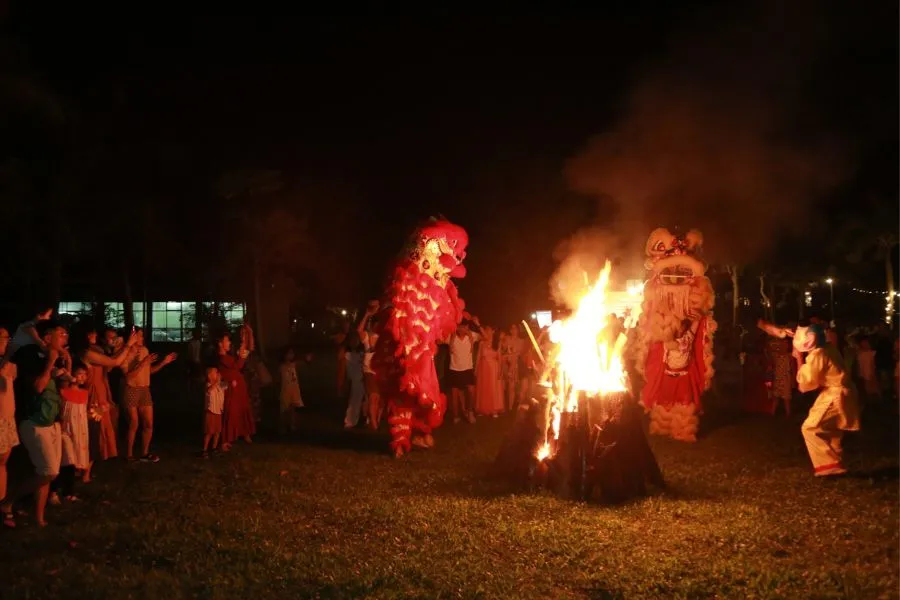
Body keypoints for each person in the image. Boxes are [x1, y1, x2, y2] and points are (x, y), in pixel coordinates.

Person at [2, 321, 68, 527]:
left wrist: (65, 364)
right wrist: (50, 363)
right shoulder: (31, 357)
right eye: (60, 334)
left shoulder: (54, 358)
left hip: (52, 422)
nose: (65, 338)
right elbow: (37, 388)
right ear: (47, 338)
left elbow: (60, 389)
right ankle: (7, 502)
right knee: (49, 471)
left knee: (45, 472)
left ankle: (38, 517)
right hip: (34, 421)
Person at [793, 324, 860, 477]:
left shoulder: (819, 354)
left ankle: (829, 466)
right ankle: (836, 463)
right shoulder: (828, 348)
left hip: (835, 394)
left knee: (810, 428)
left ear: (810, 339)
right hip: (842, 391)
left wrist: (798, 358)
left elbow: (807, 383)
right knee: (832, 430)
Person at [75, 326, 138, 463]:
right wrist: (127, 345)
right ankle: (85, 465)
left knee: (103, 424)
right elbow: (113, 363)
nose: (94, 335)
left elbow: (109, 366)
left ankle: (92, 462)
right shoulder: (87, 353)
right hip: (93, 391)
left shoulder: (96, 350)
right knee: (94, 425)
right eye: (92, 333)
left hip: (101, 389)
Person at [121, 328, 177, 462]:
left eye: (142, 336)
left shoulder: (145, 350)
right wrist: (143, 363)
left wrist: (164, 362)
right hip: (131, 389)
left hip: (145, 389)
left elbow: (148, 371)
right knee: (134, 423)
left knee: (149, 423)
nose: (141, 338)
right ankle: (128, 454)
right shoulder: (126, 353)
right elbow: (129, 377)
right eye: (138, 335)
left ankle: (144, 453)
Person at [218, 331, 254, 451]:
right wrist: (242, 352)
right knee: (231, 412)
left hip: (238, 387)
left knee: (242, 409)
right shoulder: (222, 358)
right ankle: (225, 440)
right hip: (231, 390)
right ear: (220, 343)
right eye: (226, 340)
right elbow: (237, 365)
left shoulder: (227, 357)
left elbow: (237, 365)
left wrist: (244, 342)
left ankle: (244, 433)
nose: (229, 343)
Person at [59, 364, 91, 484]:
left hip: (80, 429)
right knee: (67, 455)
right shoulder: (64, 392)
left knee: (77, 454)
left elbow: (83, 412)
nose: (83, 377)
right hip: (68, 428)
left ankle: (70, 486)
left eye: (85, 374)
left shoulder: (84, 393)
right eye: (80, 373)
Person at [0, 328, 18, 528]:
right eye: (3, 337)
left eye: (7, 337)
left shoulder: (10, 365)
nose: (6, 340)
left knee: (3, 461)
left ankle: (3, 504)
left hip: (7, 418)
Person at [448, 318, 480, 424]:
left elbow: (485, 337)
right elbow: (438, 340)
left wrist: (478, 325)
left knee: (471, 391)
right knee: (455, 394)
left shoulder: (472, 336)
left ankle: (470, 412)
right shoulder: (451, 336)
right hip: (455, 369)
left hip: (468, 369)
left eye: (464, 326)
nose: (462, 329)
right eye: (460, 326)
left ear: (467, 327)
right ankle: (456, 416)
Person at [359, 301, 382, 430]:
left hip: (379, 370)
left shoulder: (382, 337)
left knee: (377, 398)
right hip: (368, 370)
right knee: (373, 397)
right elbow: (359, 330)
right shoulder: (366, 336)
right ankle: (373, 424)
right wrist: (367, 314)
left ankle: (373, 419)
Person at [474, 327, 503, 417]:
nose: (487, 332)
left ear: (493, 331)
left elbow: (500, 358)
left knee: (493, 388)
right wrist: (476, 369)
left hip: (493, 368)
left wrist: (500, 371)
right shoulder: (482, 343)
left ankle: (494, 409)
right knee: (483, 388)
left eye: (489, 330)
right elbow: (478, 356)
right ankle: (483, 409)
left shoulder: (496, 343)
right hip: (483, 368)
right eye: (486, 330)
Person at [201, 367, 226, 457]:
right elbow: (209, 390)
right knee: (209, 432)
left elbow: (227, 385)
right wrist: (217, 381)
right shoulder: (207, 385)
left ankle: (214, 448)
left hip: (218, 412)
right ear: (209, 375)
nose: (217, 373)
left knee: (217, 432)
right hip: (211, 411)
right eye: (215, 372)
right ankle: (204, 450)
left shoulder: (220, 385)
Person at [343, 331, 366, 428]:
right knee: (354, 401)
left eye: (356, 340)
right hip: (354, 380)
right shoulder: (347, 355)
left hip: (361, 379)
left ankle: (362, 419)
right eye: (352, 341)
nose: (354, 342)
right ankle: (349, 421)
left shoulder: (361, 354)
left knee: (361, 400)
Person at [278, 348, 304, 434]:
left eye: (292, 354)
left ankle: (292, 425)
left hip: (294, 389)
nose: (290, 356)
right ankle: (283, 426)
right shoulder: (282, 366)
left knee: (293, 408)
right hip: (286, 389)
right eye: (289, 354)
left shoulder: (294, 365)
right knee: (284, 409)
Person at [500, 324, 523, 411]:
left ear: (518, 330)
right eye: (512, 328)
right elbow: (502, 349)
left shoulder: (521, 341)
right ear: (510, 330)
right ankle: (501, 405)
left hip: (514, 366)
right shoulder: (507, 339)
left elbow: (519, 353)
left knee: (511, 387)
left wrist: (510, 354)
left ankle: (510, 407)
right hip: (505, 364)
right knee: (503, 386)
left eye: (515, 328)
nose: (513, 330)